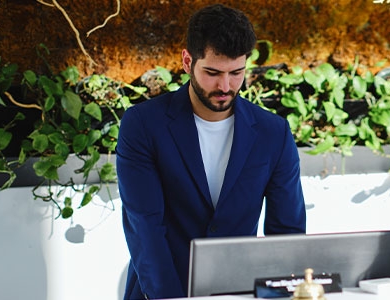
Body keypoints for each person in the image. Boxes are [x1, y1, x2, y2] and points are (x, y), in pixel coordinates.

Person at [116, 4, 306, 299]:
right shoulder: (142, 125)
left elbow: (287, 233)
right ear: (187, 61)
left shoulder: (274, 133)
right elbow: (145, 229)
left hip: (240, 291)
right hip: (161, 292)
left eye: (236, 73)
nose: (225, 86)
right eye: (213, 72)